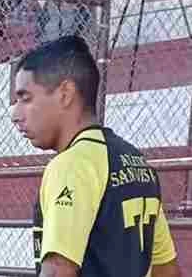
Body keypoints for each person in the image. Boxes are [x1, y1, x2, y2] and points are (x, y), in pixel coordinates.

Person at [11, 37, 180, 277]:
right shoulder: (136, 160)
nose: (15, 114)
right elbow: (167, 270)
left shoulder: (72, 165)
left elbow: (58, 271)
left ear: (65, 94)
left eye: (25, 98)